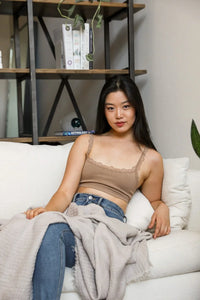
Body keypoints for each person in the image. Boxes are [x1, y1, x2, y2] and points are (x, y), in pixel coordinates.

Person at [25, 75, 170, 299]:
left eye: (125, 107)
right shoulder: (86, 141)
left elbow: (154, 200)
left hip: (106, 226)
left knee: (51, 231)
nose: (118, 115)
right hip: (74, 218)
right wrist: (48, 213)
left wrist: (162, 208)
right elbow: (65, 191)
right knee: (40, 228)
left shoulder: (151, 158)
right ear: (103, 111)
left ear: (136, 109)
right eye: (110, 108)